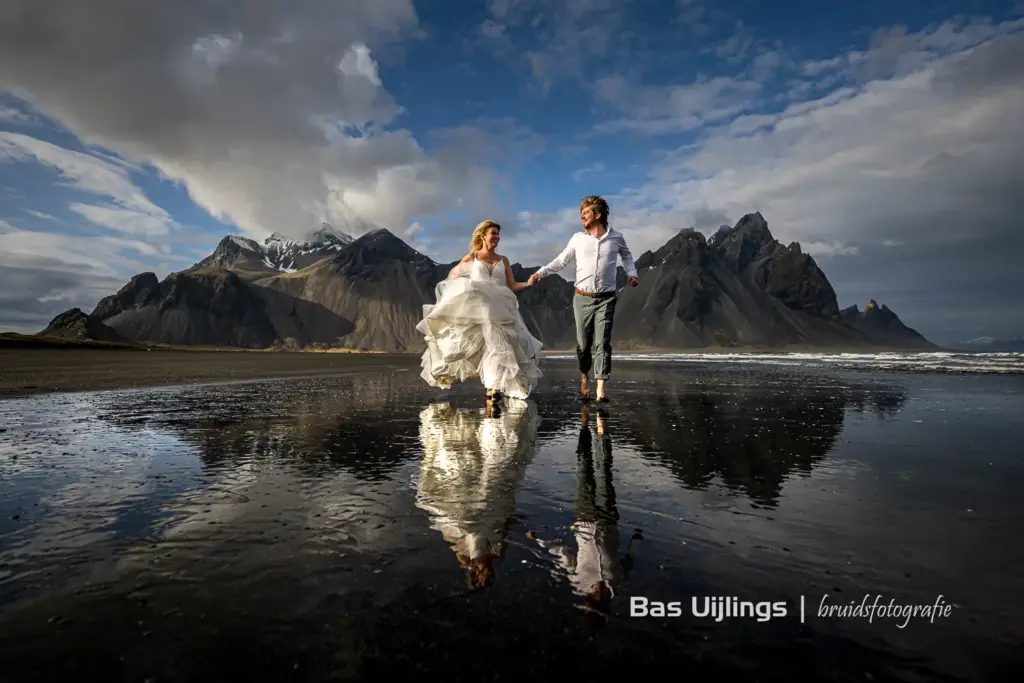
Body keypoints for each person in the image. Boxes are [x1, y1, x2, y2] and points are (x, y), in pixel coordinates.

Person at [528, 195, 638, 403]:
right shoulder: (578, 239)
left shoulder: (616, 238)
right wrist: (540, 273)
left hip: (606, 298)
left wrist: (632, 273)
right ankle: (585, 377)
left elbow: (627, 257)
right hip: (582, 298)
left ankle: (601, 389)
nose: (582, 217)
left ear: (598, 215)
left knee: (602, 343)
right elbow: (561, 261)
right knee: (583, 344)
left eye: (586, 213)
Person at [417, 220, 542, 401]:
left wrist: (528, 283)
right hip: (480, 311)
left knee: (499, 347)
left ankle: (493, 387)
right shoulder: (471, 258)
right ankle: (492, 387)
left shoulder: (503, 260)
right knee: (490, 347)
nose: (497, 237)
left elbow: (512, 285)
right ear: (483, 236)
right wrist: (466, 286)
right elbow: (454, 280)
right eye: (493, 233)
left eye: (498, 234)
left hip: (501, 310)